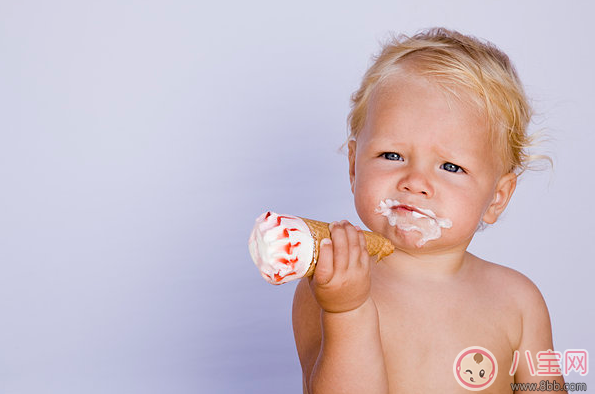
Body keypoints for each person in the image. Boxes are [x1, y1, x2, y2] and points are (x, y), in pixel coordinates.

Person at [292, 28, 564, 393]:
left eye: (451, 166)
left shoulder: (518, 301)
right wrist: (347, 310)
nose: (415, 181)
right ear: (355, 167)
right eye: (392, 155)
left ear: (497, 198)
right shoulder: (330, 281)